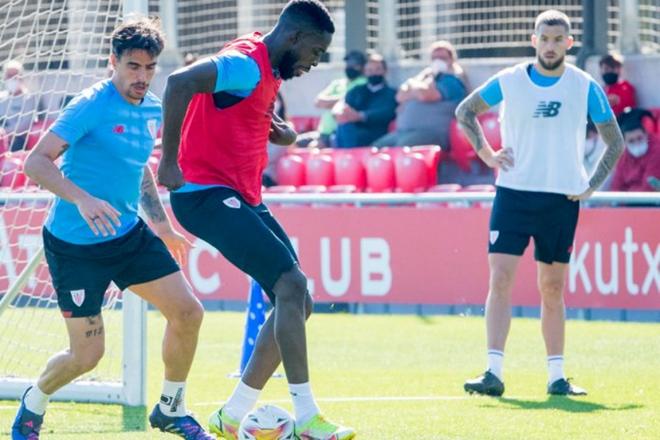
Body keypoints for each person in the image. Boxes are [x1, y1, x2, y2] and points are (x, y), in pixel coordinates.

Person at [157, 1, 355, 439]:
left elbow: (234, 106)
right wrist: (168, 161)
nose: (314, 63)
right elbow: (179, 81)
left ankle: (232, 415)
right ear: (294, 39)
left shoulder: (265, 68)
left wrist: (276, 127)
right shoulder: (246, 63)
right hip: (203, 193)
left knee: (299, 301)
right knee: (291, 285)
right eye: (315, 53)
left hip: (239, 193)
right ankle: (306, 418)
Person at [12, 18, 213, 440]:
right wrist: (82, 198)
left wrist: (163, 226)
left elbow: (139, 171)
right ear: (113, 63)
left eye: (149, 67)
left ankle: (171, 408)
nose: (142, 77)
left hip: (127, 235)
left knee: (188, 312)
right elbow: (36, 162)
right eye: (133, 67)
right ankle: (35, 397)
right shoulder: (91, 104)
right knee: (87, 356)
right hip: (75, 246)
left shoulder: (154, 108)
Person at [456, 9, 624, 397]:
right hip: (513, 194)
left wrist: (590, 184)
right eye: (544, 39)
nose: (550, 46)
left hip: (561, 199)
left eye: (557, 39)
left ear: (569, 43)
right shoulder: (510, 81)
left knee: (552, 287)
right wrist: (486, 153)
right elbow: (465, 112)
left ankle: (556, 377)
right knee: (500, 279)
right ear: (534, 40)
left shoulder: (583, 86)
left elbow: (613, 140)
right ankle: (493, 372)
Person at [374, 40, 467, 149]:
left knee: (401, 150)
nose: (438, 61)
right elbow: (399, 96)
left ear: (451, 60)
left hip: (432, 133)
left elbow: (424, 95)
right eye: (434, 58)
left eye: (442, 58)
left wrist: (412, 86)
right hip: (403, 132)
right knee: (375, 149)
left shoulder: (452, 81)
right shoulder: (425, 79)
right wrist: (417, 88)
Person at [334, 53, 397, 148]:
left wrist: (361, 116)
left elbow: (387, 112)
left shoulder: (391, 93)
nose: (374, 73)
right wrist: (343, 113)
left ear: (385, 71)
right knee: (343, 127)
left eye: (378, 69)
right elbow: (345, 107)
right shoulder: (355, 91)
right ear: (365, 72)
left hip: (376, 134)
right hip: (351, 130)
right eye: (370, 70)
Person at [313, 49, 367, 147]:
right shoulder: (337, 83)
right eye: (348, 63)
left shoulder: (364, 83)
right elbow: (318, 102)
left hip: (340, 133)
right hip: (323, 133)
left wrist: (330, 102)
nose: (350, 67)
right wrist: (340, 100)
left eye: (355, 64)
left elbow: (350, 102)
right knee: (293, 142)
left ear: (362, 67)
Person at [0, 60, 46, 151]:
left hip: (19, 139)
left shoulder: (29, 98)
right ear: (4, 78)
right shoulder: (1, 97)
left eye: (15, 76)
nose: (12, 79)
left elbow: (25, 125)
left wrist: (5, 133)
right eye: (9, 76)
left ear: (21, 77)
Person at [610, 108, 660, 192]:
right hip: (628, 201)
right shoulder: (624, 155)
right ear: (625, 142)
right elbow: (616, 186)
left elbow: (648, 188)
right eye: (631, 141)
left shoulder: (657, 149)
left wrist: (626, 194)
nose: (636, 143)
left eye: (639, 138)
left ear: (646, 134)